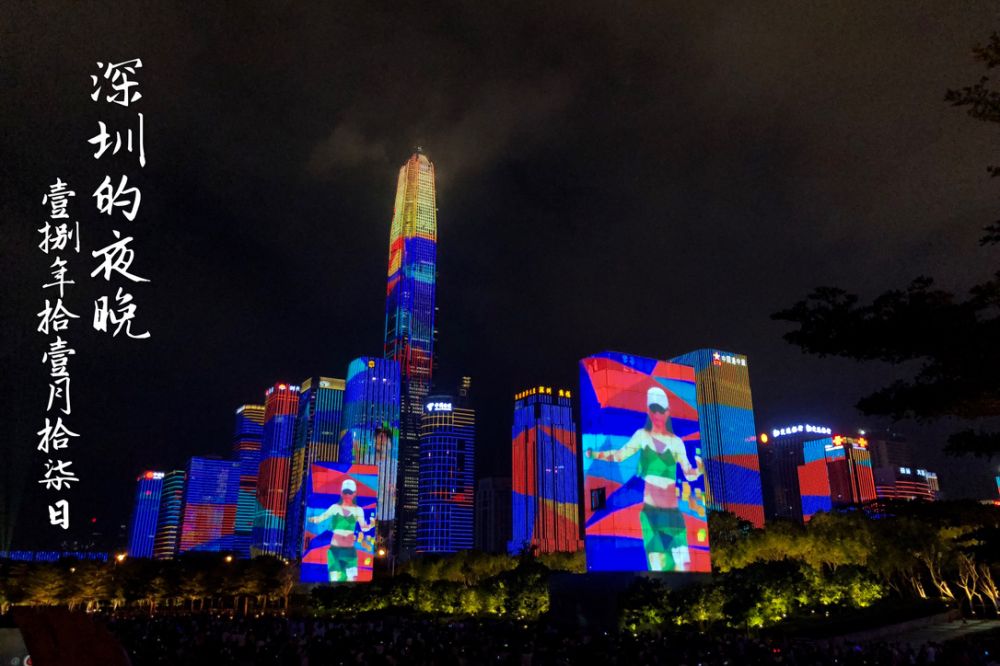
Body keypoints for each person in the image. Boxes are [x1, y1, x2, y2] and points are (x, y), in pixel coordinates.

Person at [586, 386, 702, 571]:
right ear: (648, 411)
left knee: (683, 567)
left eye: (660, 410)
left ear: (667, 412)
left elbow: (689, 473)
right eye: (653, 410)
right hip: (651, 514)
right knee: (658, 567)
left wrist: (699, 470)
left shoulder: (676, 442)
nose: (657, 414)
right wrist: (595, 454)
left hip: (673, 515)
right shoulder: (642, 436)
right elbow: (619, 456)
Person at [309, 478, 375, 582]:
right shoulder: (335, 508)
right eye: (345, 492)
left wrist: (371, 525)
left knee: (351, 580)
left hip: (350, 552)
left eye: (350, 492)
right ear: (341, 493)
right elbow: (320, 518)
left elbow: (364, 527)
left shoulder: (358, 510)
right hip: (335, 550)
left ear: (354, 494)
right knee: (334, 580)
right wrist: (312, 519)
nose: (347, 495)